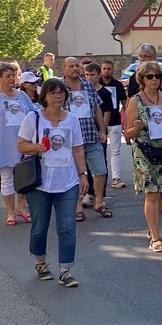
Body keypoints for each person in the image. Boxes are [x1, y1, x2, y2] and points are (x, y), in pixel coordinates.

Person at [17, 78, 89, 288]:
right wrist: (36, 147)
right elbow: (21, 145)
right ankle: (40, 262)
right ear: (44, 97)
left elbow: (77, 148)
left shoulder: (72, 120)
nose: (58, 96)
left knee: (67, 227)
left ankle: (65, 270)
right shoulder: (34, 118)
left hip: (67, 181)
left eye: (61, 93)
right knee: (40, 226)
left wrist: (83, 174)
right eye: (52, 93)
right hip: (40, 183)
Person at [123, 61, 162, 252]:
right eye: (150, 76)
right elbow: (128, 134)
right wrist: (136, 128)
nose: (154, 79)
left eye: (158, 76)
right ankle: (155, 238)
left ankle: (152, 229)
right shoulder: (135, 100)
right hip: (143, 151)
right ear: (142, 79)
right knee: (152, 193)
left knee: (161, 192)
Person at [0, 61, 35, 225]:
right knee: (7, 179)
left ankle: (21, 206)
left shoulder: (22, 95)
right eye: (8, 76)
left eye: (14, 75)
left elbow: (33, 116)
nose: (12, 79)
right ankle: (10, 212)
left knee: (23, 178)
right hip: (3, 144)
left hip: (23, 143)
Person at [62, 56, 110, 219]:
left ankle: (99, 202)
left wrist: (102, 131)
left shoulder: (88, 86)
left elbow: (97, 109)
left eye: (77, 66)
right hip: (70, 140)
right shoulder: (59, 88)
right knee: (74, 173)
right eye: (71, 66)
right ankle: (77, 207)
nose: (75, 69)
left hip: (90, 135)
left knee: (100, 170)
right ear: (64, 69)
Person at [98, 60, 128, 189]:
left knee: (115, 151)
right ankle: (100, 177)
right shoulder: (96, 84)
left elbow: (125, 102)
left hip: (115, 121)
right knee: (100, 151)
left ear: (113, 70)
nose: (106, 71)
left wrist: (126, 120)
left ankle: (116, 177)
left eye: (109, 69)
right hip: (99, 123)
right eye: (104, 68)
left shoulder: (118, 85)